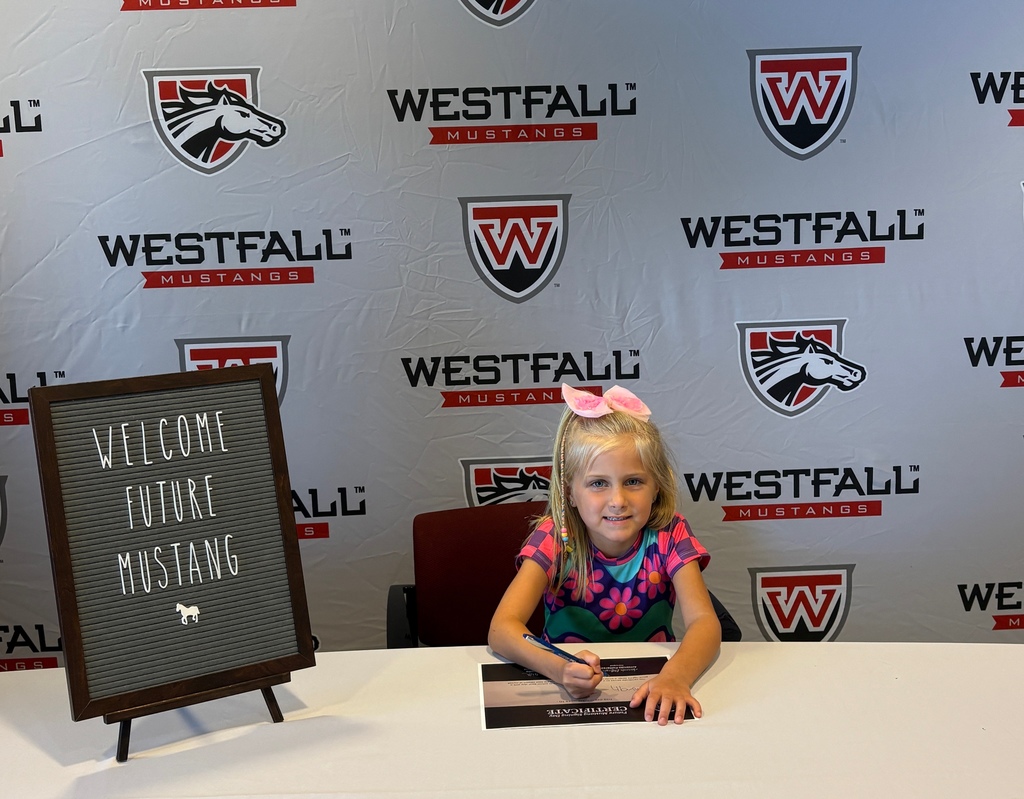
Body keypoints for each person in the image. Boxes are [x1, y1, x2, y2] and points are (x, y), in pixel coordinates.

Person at [488, 383, 722, 726]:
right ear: (569, 492)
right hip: (565, 693)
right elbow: (501, 629)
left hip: (654, 691)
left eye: (633, 481)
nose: (617, 501)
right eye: (598, 483)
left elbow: (704, 623)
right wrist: (560, 669)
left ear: (657, 486)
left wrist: (676, 677)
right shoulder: (554, 537)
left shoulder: (671, 533)